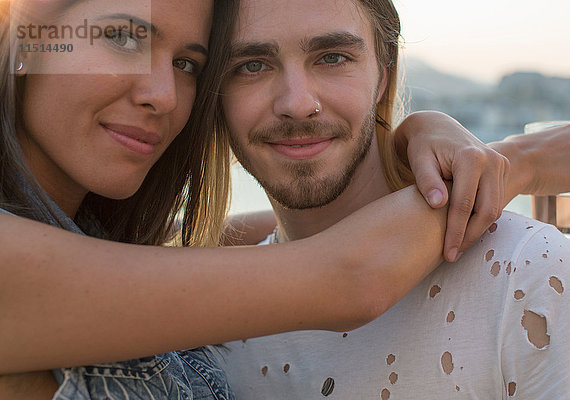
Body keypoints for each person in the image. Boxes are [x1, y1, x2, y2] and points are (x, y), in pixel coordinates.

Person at [0, 0, 527, 398]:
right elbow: (352, 278)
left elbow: (220, 245)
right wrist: (519, 162)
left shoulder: (88, 240)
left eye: (188, 64)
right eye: (122, 37)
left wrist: (416, 135)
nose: (162, 94)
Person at [215, 0, 570, 398]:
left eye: (332, 57)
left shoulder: (527, 274)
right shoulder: (208, 325)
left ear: (384, 75)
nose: (296, 104)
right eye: (251, 65)